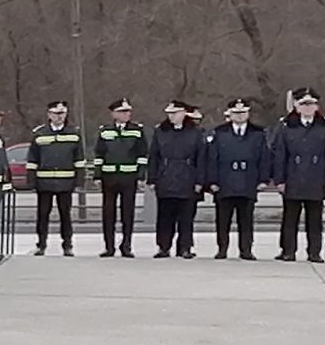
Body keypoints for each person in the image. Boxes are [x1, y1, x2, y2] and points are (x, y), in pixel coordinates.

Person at [267, 87, 325, 262]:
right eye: (304, 104)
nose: (307, 108)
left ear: (316, 106)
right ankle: (288, 251)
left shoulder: (324, 127)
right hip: (293, 178)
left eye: (311, 104)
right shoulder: (286, 127)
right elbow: (279, 155)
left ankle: (314, 252)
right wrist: (280, 180)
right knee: (290, 219)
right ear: (296, 107)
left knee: (315, 220)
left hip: (316, 178)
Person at [203, 98, 266, 258]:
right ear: (230, 114)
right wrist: (212, 181)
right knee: (223, 220)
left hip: (248, 181)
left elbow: (264, 158)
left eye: (243, 113)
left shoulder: (257, 133)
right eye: (236, 113)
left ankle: (246, 250)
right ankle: (222, 249)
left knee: (246, 220)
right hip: (225, 182)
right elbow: (212, 159)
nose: (239, 116)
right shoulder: (219, 132)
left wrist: (263, 180)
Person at [147, 98, 203, 257]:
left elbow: (202, 158)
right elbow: (154, 156)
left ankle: (185, 247)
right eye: (169, 113)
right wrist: (152, 178)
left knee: (186, 218)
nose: (171, 116)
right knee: (165, 217)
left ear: (184, 113)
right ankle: (163, 246)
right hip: (166, 177)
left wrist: (200, 181)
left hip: (188, 178)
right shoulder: (161, 131)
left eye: (175, 113)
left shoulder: (195, 132)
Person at [92, 98, 145, 256]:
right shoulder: (105, 131)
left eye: (128, 111)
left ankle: (126, 245)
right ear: (114, 114)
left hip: (129, 177)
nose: (127, 114)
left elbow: (142, 154)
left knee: (127, 213)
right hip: (110, 177)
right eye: (123, 111)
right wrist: (97, 175)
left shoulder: (137, 130)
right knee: (108, 213)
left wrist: (141, 175)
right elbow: (99, 154)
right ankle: (109, 246)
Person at [28, 100, 81, 254]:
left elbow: (79, 159)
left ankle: (67, 244)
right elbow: (32, 159)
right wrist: (31, 181)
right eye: (56, 114)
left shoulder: (73, 133)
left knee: (66, 214)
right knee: (43, 214)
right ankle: (41, 244)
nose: (59, 117)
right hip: (44, 182)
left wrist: (79, 180)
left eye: (62, 113)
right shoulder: (39, 133)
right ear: (49, 115)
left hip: (65, 182)